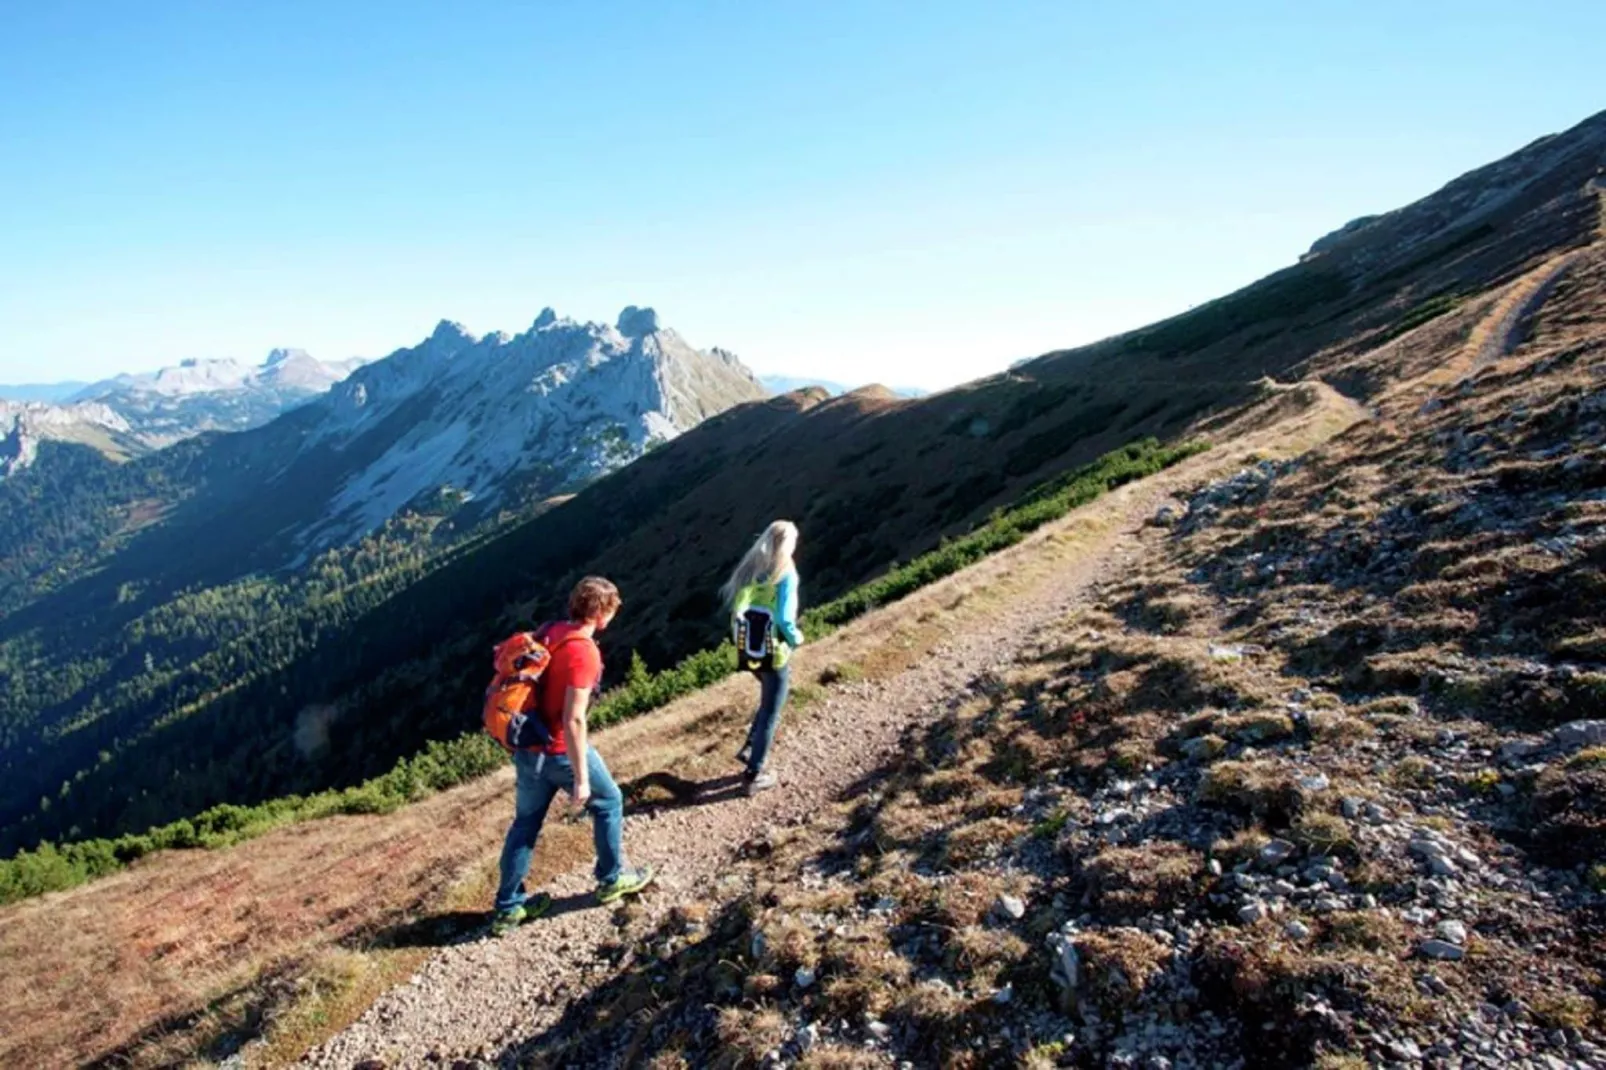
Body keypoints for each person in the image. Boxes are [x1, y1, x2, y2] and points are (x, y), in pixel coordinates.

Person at [491, 576, 654, 935]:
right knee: (609, 801)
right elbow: (574, 718)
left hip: (528, 749)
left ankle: (508, 908)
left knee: (525, 824)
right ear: (600, 612)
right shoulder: (585, 651)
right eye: (611, 611)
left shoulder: (550, 630)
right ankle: (611, 880)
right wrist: (580, 777)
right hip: (559, 750)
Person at [723, 521, 804, 795]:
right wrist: (796, 638)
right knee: (772, 710)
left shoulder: (751, 568)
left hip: (748, 650)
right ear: (788, 544)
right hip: (774, 653)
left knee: (767, 699)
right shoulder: (786, 573)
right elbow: (784, 618)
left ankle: (749, 747)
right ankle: (753, 774)